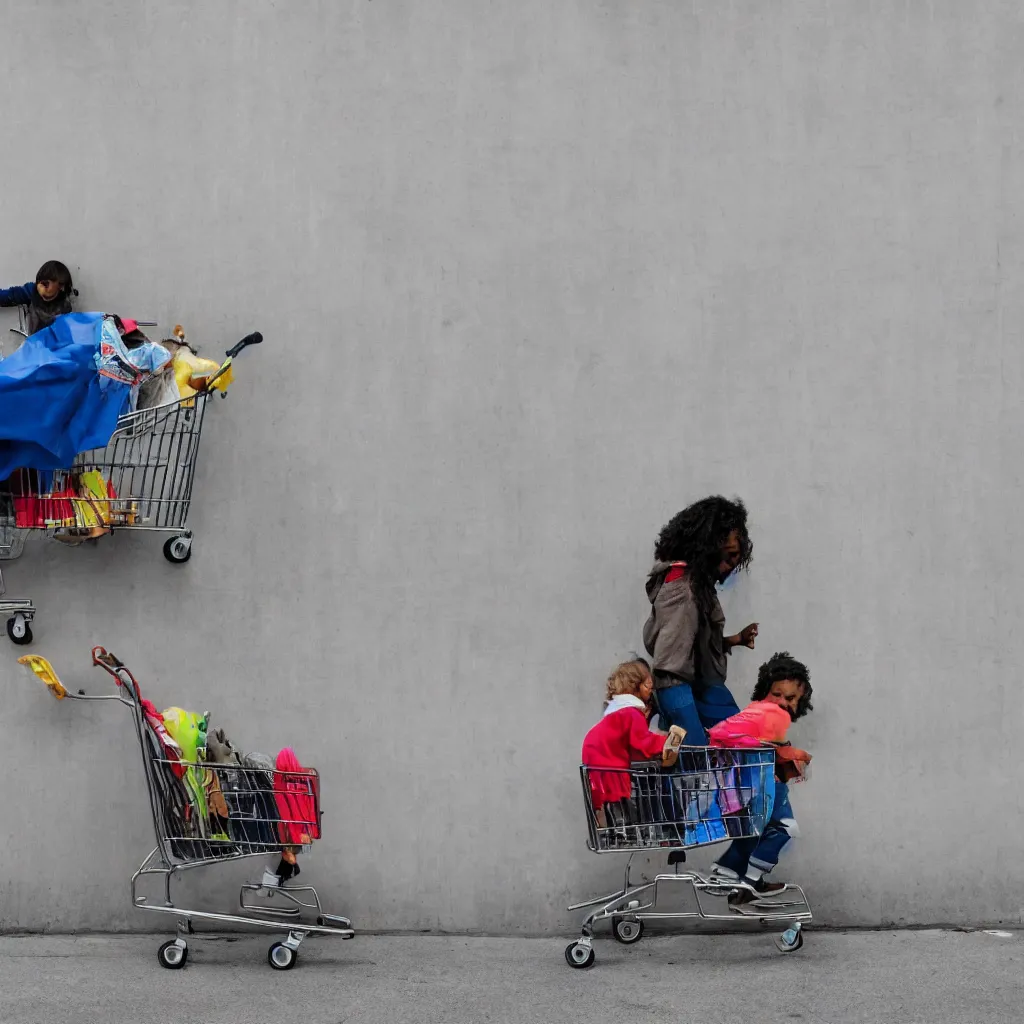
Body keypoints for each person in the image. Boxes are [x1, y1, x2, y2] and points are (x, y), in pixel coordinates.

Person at [643, 496, 759, 745]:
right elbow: (669, 661)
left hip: (702, 685)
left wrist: (734, 640)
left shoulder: (699, 585)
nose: (730, 567)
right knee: (702, 767)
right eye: (729, 556)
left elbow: (695, 643)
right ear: (707, 546)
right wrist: (680, 716)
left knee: (746, 747)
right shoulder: (684, 590)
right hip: (679, 689)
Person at [706, 652, 813, 910]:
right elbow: (772, 750)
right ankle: (751, 882)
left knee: (755, 831)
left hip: (744, 783)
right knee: (786, 828)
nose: (783, 702)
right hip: (761, 784)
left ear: (801, 703)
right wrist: (799, 755)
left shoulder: (756, 712)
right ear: (765, 692)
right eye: (777, 695)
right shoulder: (771, 716)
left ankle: (727, 871)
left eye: (791, 698)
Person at [581, 659, 679, 828]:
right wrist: (666, 741)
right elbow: (643, 741)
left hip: (596, 749)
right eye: (648, 684)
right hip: (605, 754)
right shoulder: (632, 713)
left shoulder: (620, 712)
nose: (651, 690)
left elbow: (635, 743)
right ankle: (618, 828)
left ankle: (610, 824)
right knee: (616, 793)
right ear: (635, 686)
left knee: (607, 792)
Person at [0, 260, 76, 336]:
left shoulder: (65, 304)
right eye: (43, 283)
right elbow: (9, 295)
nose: (44, 290)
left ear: (61, 287)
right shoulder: (31, 291)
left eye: (47, 285)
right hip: (34, 343)